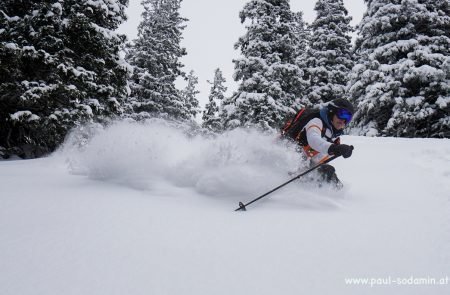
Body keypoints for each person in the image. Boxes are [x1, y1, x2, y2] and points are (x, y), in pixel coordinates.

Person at [282, 98, 355, 187]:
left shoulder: (331, 135)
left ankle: (336, 197)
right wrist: (333, 148)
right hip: (288, 159)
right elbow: (314, 140)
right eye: (342, 114)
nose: (343, 120)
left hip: (302, 165)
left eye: (348, 118)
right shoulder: (316, 121)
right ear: (332, 111)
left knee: (329, 175)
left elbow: (317, 156)